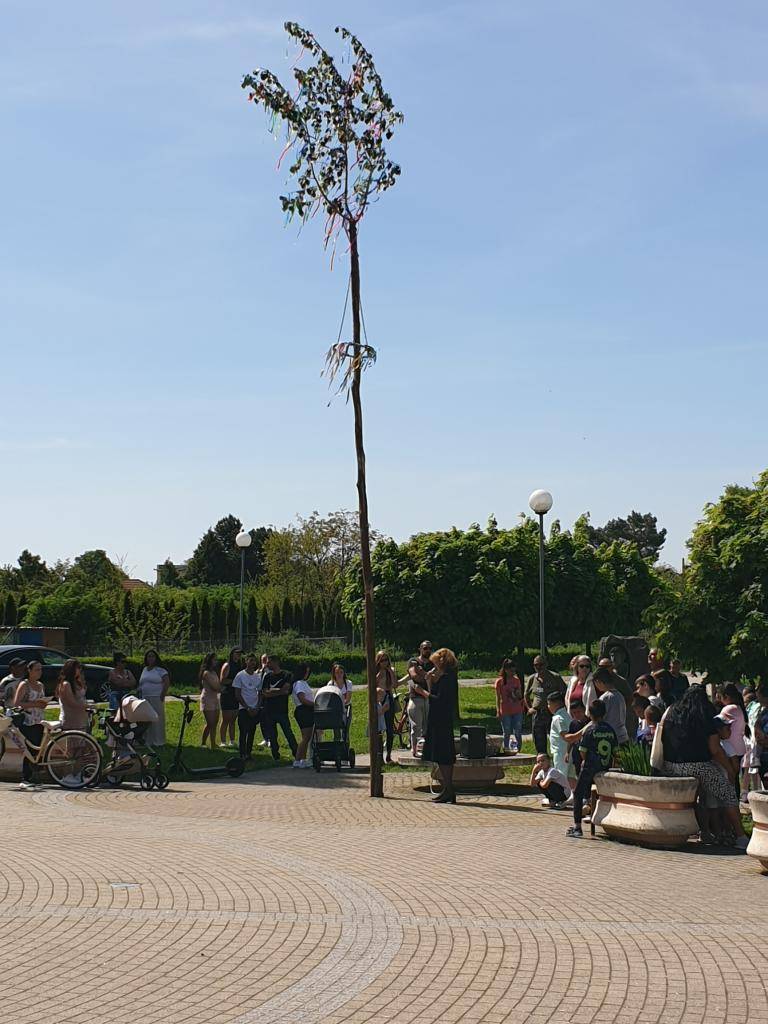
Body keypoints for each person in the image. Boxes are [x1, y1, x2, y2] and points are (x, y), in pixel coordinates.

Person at [660, 685, 748, 848]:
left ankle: (706, 832)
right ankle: (740, 836)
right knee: (727, 794)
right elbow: (714, 749)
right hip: (698, 765)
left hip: (671, 766)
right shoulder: (704, 714)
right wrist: (729, 770)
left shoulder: (673, 711)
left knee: (702, 797)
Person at [566, 701, 617, 839]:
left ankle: (577, 827)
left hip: (589, 767)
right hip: (605, 767)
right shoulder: (610, 730)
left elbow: (582, 751)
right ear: (604, 713)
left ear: (590, 713)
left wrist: (584, 760)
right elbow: (615, 751)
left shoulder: (589, 730)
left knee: (578, 793)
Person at [421, 648, 459, 804]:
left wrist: (424, 693)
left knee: (444, 756)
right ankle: (447, 789)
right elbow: (435, 697)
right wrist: (430, 683)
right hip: (437, 720)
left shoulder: (448, 678)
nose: (434, 667)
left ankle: (449, 789)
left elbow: (439, 700)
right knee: (440, 756)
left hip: (442, 721)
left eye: (436, 664)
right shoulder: (442, 678)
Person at [13, 660, 48, 791]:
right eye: (37, 670)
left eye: (41, 669)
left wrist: (44, 704)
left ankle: (34, 776)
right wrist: (35, 704)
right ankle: (25, 777)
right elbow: (17, 703)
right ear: (29, 671)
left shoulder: (40, 685)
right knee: (28, 749)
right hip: (27, 720)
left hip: (39, 719)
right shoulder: (24, 684)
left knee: (37, 749)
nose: (39, 672)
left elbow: (41, 701)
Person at [524, 656, 566, 755]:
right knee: (539, 739)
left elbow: (564, 692)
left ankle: (557, 756)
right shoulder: (532, 678)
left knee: (555, 737)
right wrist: (529, 708)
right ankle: (542, 759)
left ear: (546, 664)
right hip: (538, 713)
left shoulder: (555, 677)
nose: (539, 667)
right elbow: (526, 695)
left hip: (552, 713)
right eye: (536, 665)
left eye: (541, 664)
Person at [260, 656, 298, 762]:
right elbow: (264, 693)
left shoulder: (287, 675)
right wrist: (279, 691)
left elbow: (286, 690)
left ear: (276, 662)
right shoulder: (267, 676)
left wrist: (272, 691)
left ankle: (296, 753)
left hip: (282, 710)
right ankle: (275, 756)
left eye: (269, 662)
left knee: (288, 732)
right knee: (272, 735)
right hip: (269, 710)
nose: (267, 665)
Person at [718, 682, 749, 801]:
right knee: (735, 777)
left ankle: (731, 801)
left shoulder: (728, 709)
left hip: (731, 749)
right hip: (739, 747)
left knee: (730, 776)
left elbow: (717, 723)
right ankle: (734, 801)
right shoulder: (738, 707)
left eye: (721, 697)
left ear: (726, 696)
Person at [233, 653, 263, 762]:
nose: (252, 663)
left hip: (255, 709)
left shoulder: (257, 677)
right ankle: (242, 754)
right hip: (244, 709)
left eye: (254, 661)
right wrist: (247, 707)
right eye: (250, 660)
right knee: (243, 732)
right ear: (246, 661)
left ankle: (249, 753)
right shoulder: (240, 676)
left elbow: (260, 693)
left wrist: (257, 707)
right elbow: (237, 694)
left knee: (252, 731)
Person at [138, 649, 169, 746]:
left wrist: (162, 695)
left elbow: (166, 682)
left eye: (152, 656)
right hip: (145, 698)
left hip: (156, 697)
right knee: (147, 718)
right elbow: (141, 683)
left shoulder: (160, 670)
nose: (150, 658)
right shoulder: (144, 669)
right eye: (148, 656)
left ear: (156, 658)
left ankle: (158, 740)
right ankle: (148, 740)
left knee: (157, 718)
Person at [407, 641, 433, 756]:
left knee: (427, 726)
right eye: (425, 648)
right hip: (416, 698)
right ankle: (414, 750)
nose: (427, 650)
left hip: (429, 698)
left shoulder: (432, 663)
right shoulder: (414, 661)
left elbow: (435, 676)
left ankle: (426, 749)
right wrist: (426, 676)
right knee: (416, 726)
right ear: (420, 649)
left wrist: (422, 673)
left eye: (429, 648)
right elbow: (413, 676)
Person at [593, 666, 629, 744]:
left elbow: (597, 719)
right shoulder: (620, 695)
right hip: (623, 735)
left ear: (598, 681)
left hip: (610, 738)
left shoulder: (604, 698)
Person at [495, 658, 524, 753]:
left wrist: (517, 693)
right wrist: (498, 711)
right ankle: (506, 749)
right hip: (505, 710)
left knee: (518, 731)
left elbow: (520, 695)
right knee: (507, 731)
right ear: (506, 670)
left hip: (517, 710)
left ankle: (518, 750)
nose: (512, 672)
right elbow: (498, 698)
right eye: (511, 670)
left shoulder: (516, 680)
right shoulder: (500, 682)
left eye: (514, 670)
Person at [218, 648, 243, 749]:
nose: (238, 656)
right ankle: (223, 741)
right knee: (226, 719)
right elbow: (222, 680)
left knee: (233, 719)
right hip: (227, 694)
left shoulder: (239, 666)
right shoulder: (227, 665)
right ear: (232, 654)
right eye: (237, 653)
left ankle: (232, 740)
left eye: (240, 654)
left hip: (235, 694)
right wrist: (235, 681)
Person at [376, 651, 398, 764]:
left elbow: (395, 685)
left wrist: (390, 672)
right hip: (379, 698)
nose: (384, 663)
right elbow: (371, 686)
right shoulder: (376, 672)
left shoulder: (391, 671)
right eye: (382, 660)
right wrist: (379, 676)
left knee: (390, 728)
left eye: (386, 660)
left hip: (388, 697)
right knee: (378, 728)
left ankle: (388, 755)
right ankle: (378, 755)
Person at [291, 664, 315, 768]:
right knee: (306, 737)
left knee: (307, 737)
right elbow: (302, 699)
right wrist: (315, 704)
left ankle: (303, 760)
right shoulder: (299, 683)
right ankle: (297, 759)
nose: (307, 674)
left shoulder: (303, 683)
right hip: (303, 710)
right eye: (306, 672)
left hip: (306, 710)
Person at [547, 692, 572, 787]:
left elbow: (565, 735)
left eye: (549, 704)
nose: (548, 707)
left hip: (560, 751)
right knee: (568, 775)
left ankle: (562, 796)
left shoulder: (558, 718)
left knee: (560, 775)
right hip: (566, 751)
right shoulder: (567, 715)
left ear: (556, 704)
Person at [57, 658, 89, 731]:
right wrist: (88, 706)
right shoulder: (66, 684)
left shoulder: (77, 682)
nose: (79, 670)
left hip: (82, 720)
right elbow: (72, 703)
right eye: (78, 668)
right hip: (71, 721)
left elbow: (83, 697)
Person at [198, 653, 221, 752]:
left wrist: (220, 687)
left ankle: (213, 743)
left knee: (215, 722)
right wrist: (221, 688)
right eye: (214, 660)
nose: (215, 662)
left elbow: (218, 684)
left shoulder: (214, 673)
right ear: (209, 660)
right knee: (210, 723)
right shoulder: (206, 673)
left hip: (215, 698)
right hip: (207, 699)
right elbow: (214, 686)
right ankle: (203, 743)